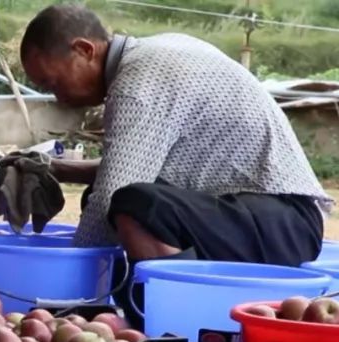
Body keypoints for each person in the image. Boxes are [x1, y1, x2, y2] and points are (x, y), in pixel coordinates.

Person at [20, 4, 330, 267]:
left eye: (53, 83)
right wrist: (53, 168)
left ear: (84, 50)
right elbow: (125, 169)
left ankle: (176, 310)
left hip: (285, 222)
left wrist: (62, 283)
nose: (58, 97)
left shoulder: (137, 85)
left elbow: (112, 195)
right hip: (267, 218)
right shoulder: (157, 51)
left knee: (131, 204)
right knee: (115, 199)